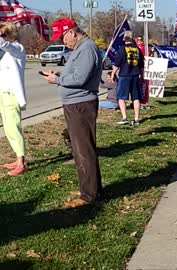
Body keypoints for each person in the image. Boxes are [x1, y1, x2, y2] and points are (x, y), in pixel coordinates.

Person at [42, 18, 103, 208]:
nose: (62, 42)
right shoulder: (81, 49)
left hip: (80, 104)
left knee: (83, 150)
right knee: (81, 149)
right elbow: (76, 75)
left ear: (72, 32)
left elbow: (80, 78)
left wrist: (57, 80)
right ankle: (91, 188)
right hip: (75, 103)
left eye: (63, 37)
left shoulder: (87, 49)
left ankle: (88, 195)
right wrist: (60, 77)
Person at [0, 22, 27, 176]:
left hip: (11, 94)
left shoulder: (17, 48)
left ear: (11, 35)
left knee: (14, 126)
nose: (1, 38)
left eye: (3, 34)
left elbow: (5, 45)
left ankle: (21, 162)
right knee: (8, 128)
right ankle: (18, 158)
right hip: (3, 92)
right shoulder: (5, 54)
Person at [111, 30, 144, 126]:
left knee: (121, 97)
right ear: (132, 38)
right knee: (136, 97)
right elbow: (141, 64)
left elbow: (117, 63)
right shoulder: (137, 49)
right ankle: (137, 119)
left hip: (124, 76)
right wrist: (142, 75)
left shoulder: (121, 49)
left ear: (124, 39)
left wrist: (113, 73)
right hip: (135, 76)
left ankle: (125, 118)